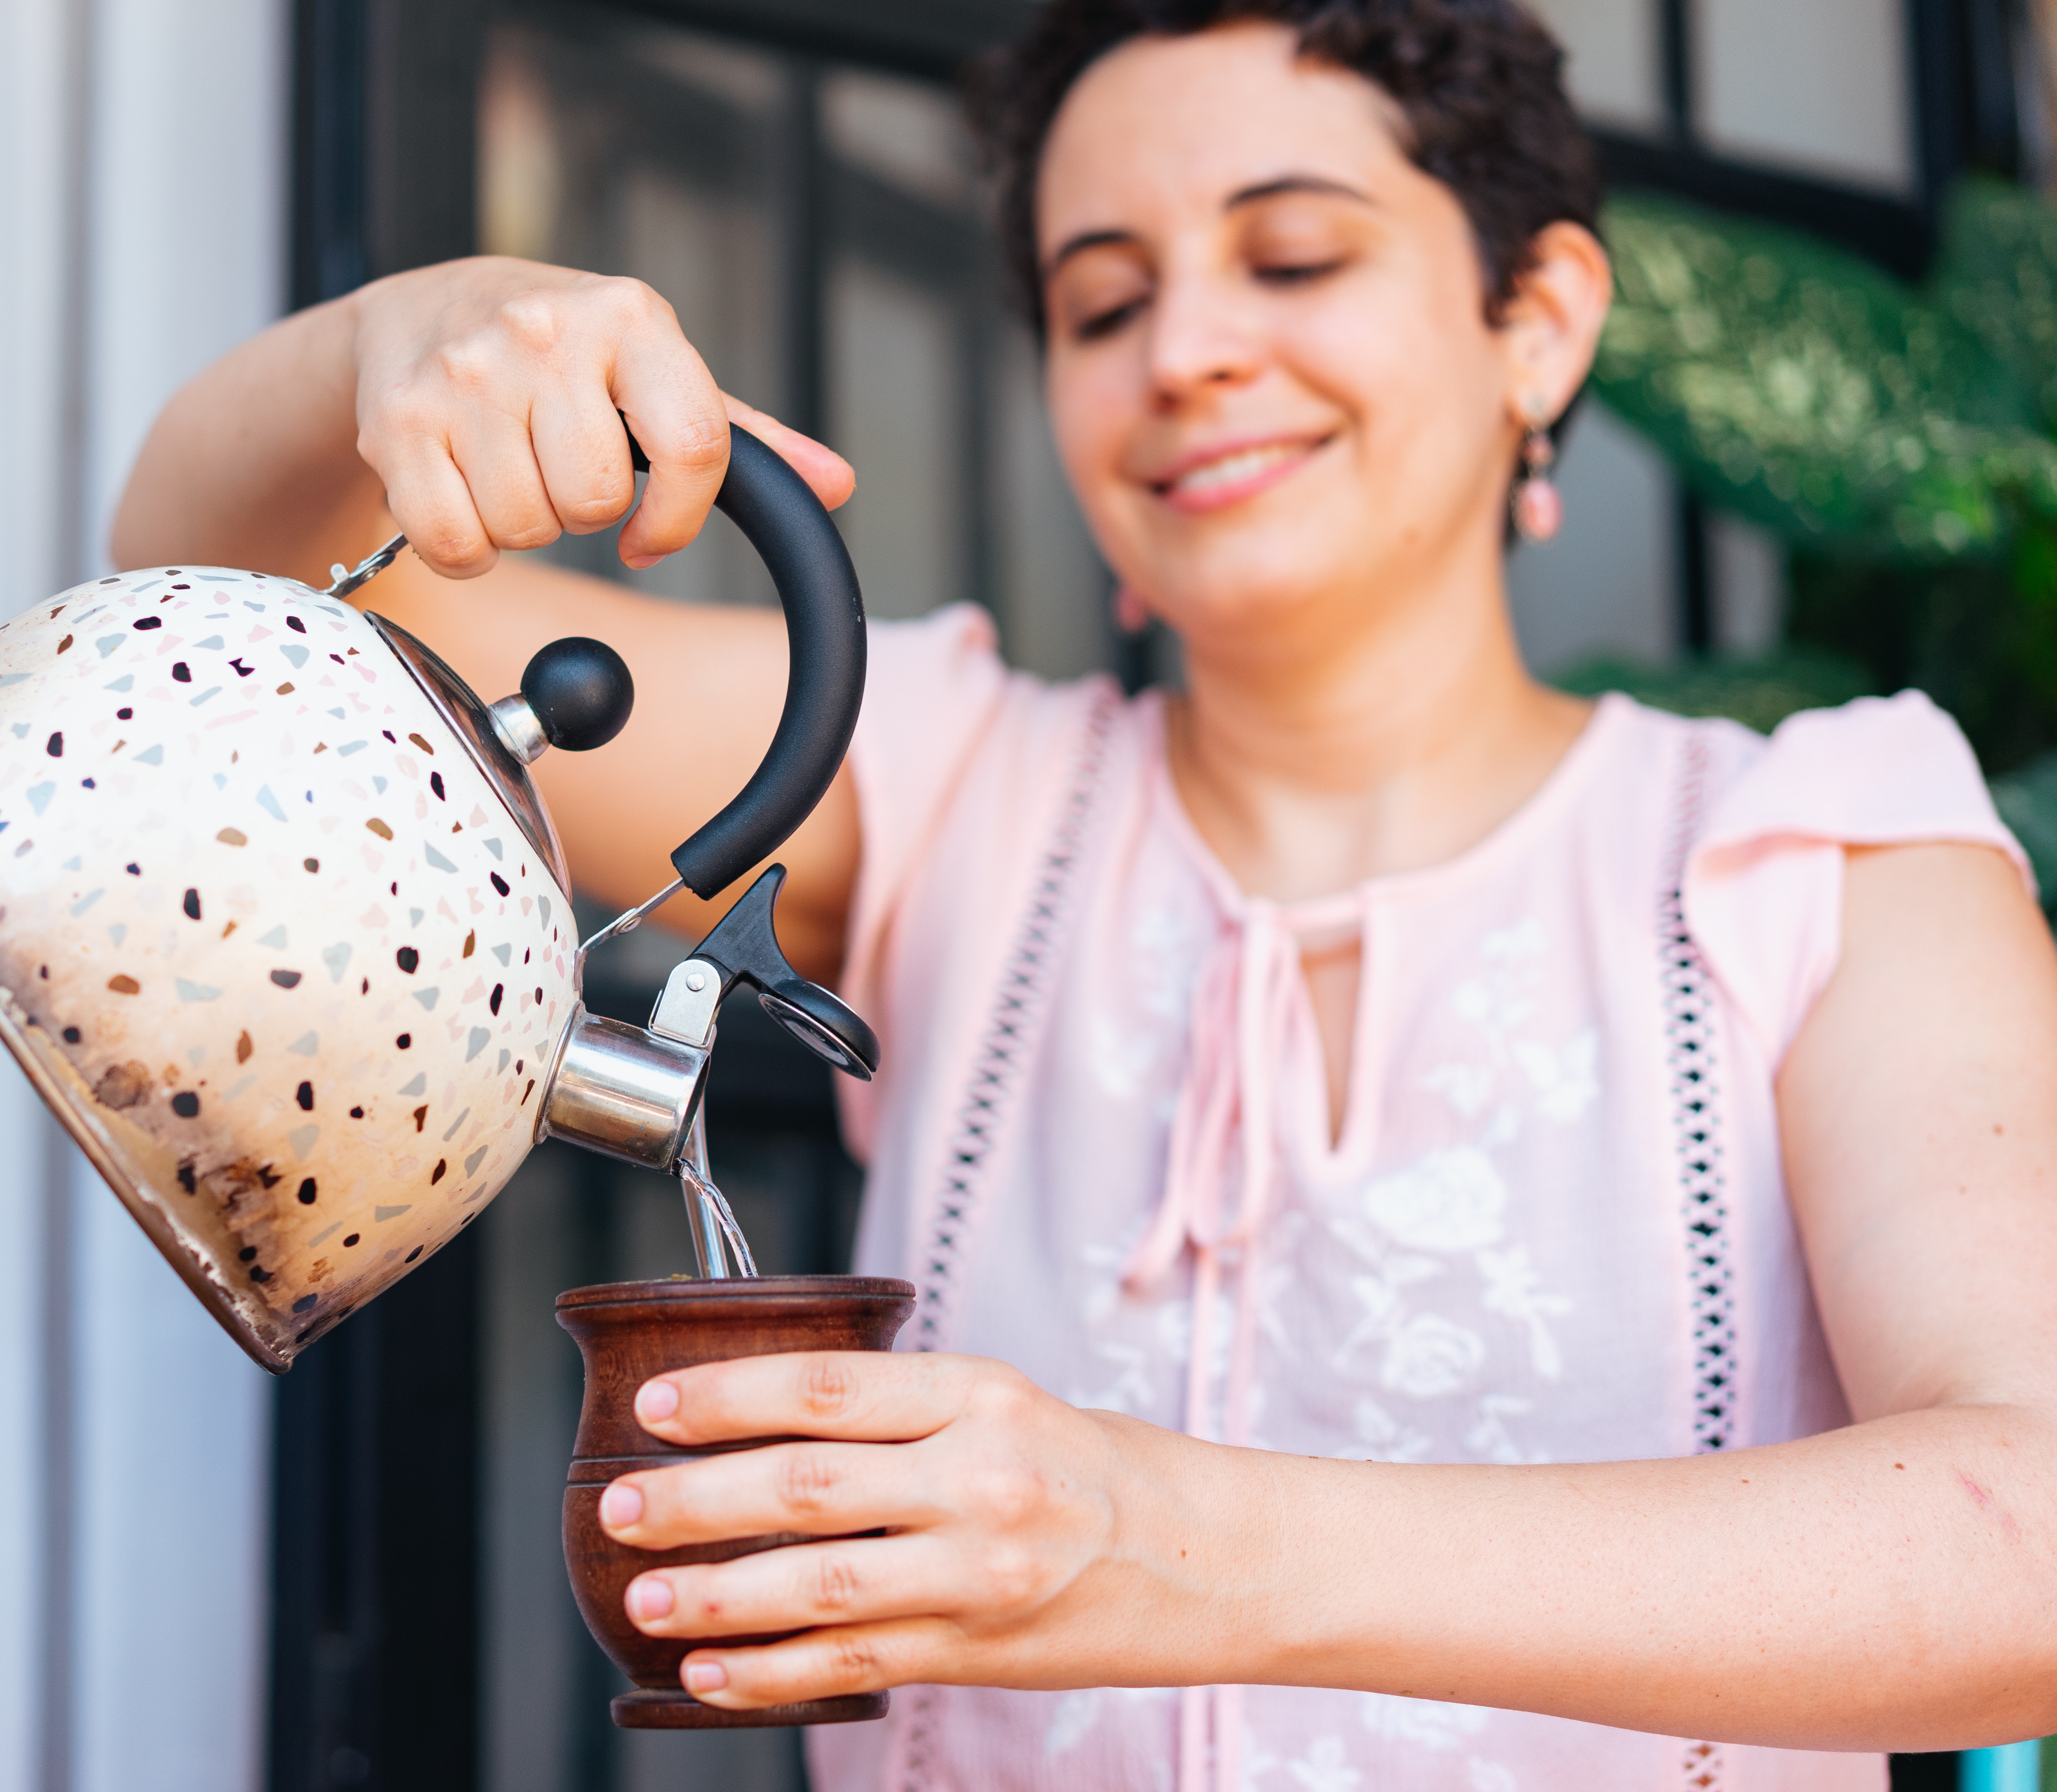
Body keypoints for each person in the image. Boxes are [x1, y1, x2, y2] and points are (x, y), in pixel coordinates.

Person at [112, 0, 2057, 1783]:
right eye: (1103, 302)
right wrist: (390, 340)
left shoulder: (1827, 856)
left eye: (1295, 258)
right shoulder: (949, 791)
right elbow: (219, 617)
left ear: (1538, 320)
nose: (1190, 352)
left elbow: (2029, 1550)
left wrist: (1178, 1546)